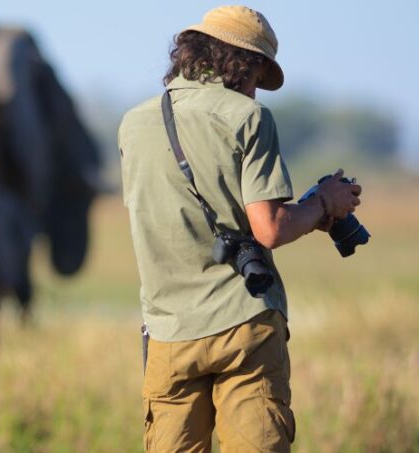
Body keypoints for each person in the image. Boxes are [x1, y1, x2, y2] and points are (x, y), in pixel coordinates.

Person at [118, 5, 362, 452]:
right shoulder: (249, 119)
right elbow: (268, 229)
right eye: (257, 77)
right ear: (243, 63)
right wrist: (324, 202)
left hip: (168, 333)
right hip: (243, 325)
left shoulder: (133, 123)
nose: (255, 93)